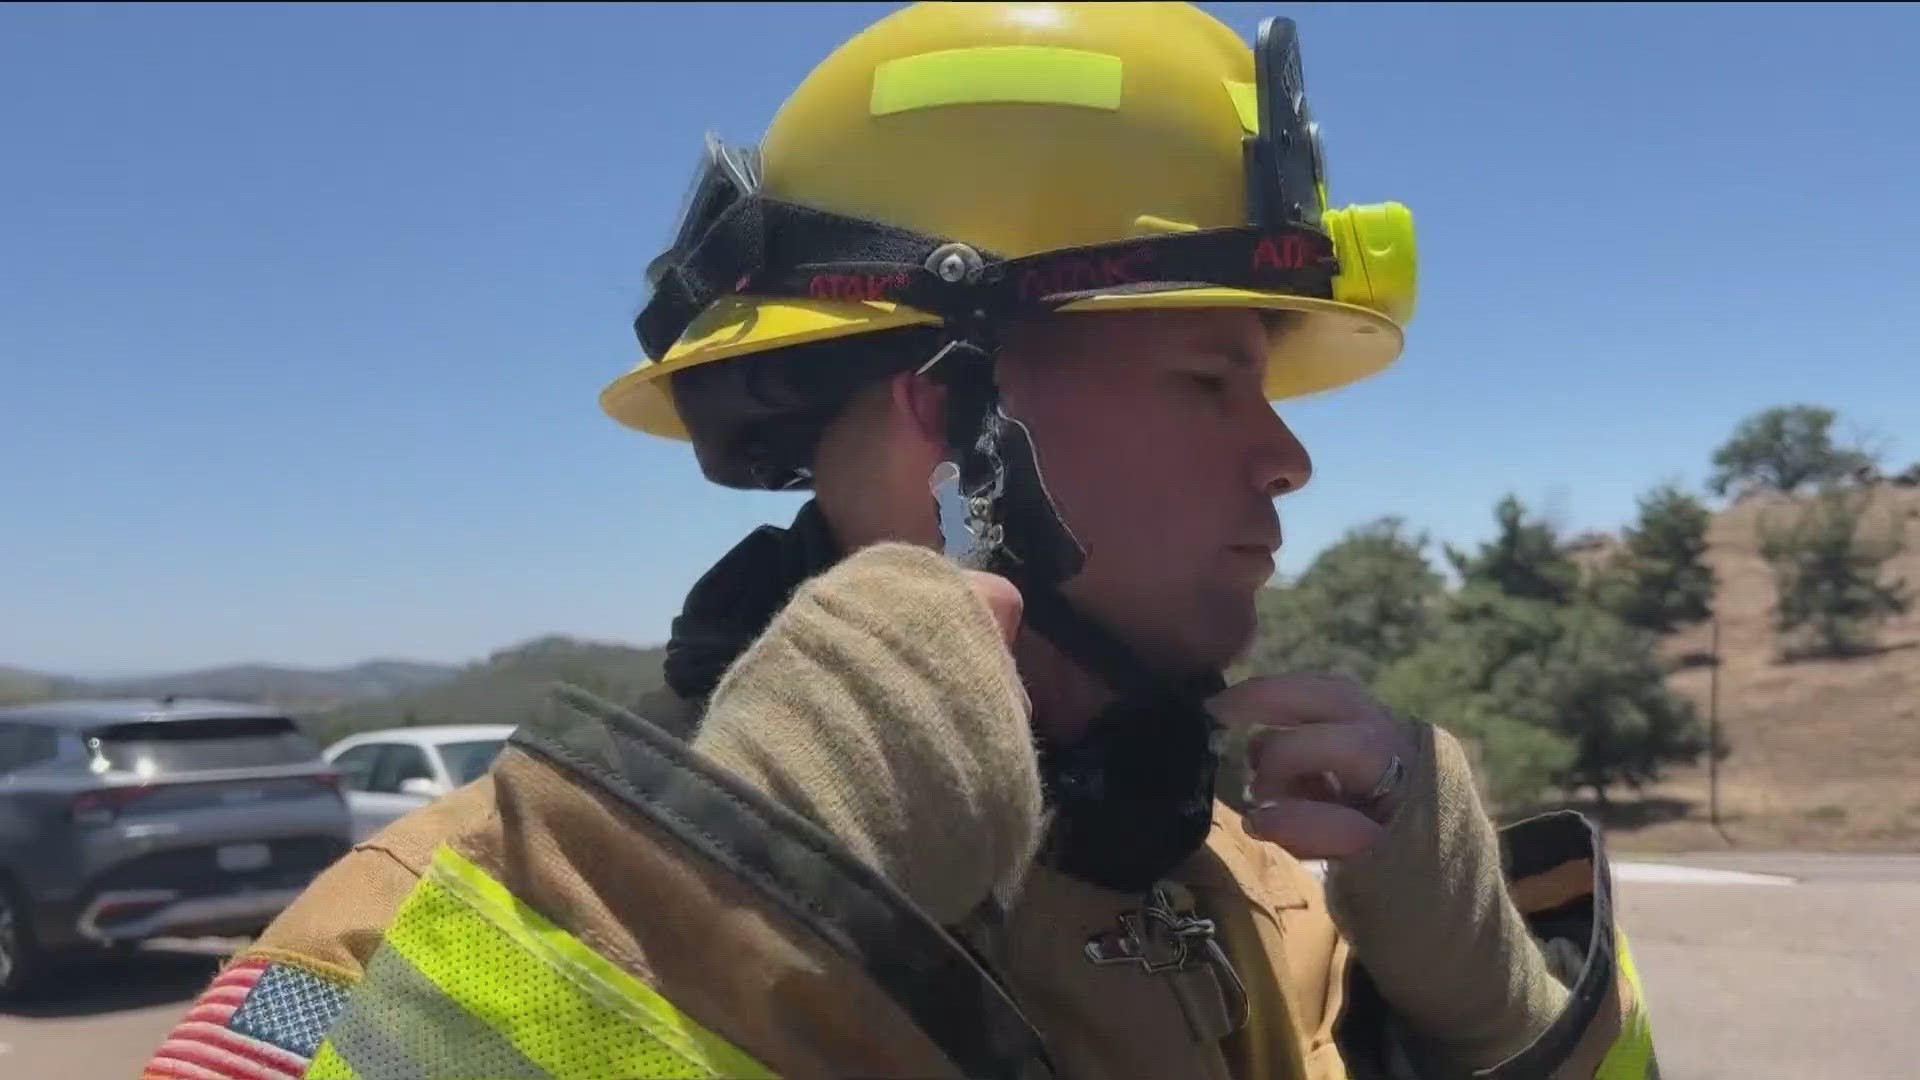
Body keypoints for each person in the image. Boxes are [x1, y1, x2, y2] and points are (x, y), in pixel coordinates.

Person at [143, 4, 1659, 1079]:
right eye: (1211, 380)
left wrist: (1500, 1019)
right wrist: (695, 913)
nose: (1289, 456)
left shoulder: (1277, 892)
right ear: (951, 413)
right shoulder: (438, 926)